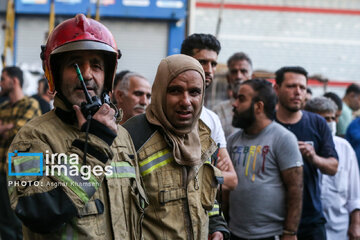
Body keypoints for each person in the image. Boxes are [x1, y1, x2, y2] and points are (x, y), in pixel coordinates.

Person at [7, 14, 147, 239]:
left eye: (96, 65)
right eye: (75, 65)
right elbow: (35, 210)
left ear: (108, 74)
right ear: (56, 73)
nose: (88, 74)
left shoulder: (121, 136)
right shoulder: (30, 139)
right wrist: (94, 146)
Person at [123, 54, 223, 239]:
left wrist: (217, 227)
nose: (186, 101)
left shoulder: (204, 138)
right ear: (159, 91)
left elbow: (208, 197)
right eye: (176, 91)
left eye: (194, 92)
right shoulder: (131, 137)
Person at [225, 79, 303, 240]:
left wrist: (290, 232)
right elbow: (226, 189)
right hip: (234, 232)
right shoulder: (233, 140)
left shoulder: (283, 138)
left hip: (270, 234)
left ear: (258, 106)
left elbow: (295, 188)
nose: (234, 104)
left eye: (241, 99)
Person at [274, 66, 338, 240]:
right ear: (277, 89)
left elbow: (333, 167)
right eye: (291, 86)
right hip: (273, 221)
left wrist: (314, 157)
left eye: (302, 87)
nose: (297, 92)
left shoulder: (317, 123)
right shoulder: (266, 123)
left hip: (310, 220)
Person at [305, 96, 360, 240]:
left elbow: (355, 193)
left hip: (338, 229)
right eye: (324, 118)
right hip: (308, 228)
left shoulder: (344, 147)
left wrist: (356, 224)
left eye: (332, 118)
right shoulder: (301, 145)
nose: (329, 123)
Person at [0, 66, 41, 240]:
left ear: (14, 81)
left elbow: (21, 133)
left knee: (19, 222)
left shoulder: (30, 104)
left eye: (3, 79)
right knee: (5, 221)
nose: (1, 83)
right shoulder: (4, 106)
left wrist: (5, 128)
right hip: (2, 171)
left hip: (21, 173)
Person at [213, 52, 253, 138]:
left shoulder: (260, 108)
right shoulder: (218, 111)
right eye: (234, 72)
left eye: (243, 71)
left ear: (251, 77)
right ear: (228, 78)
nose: (238, 76)